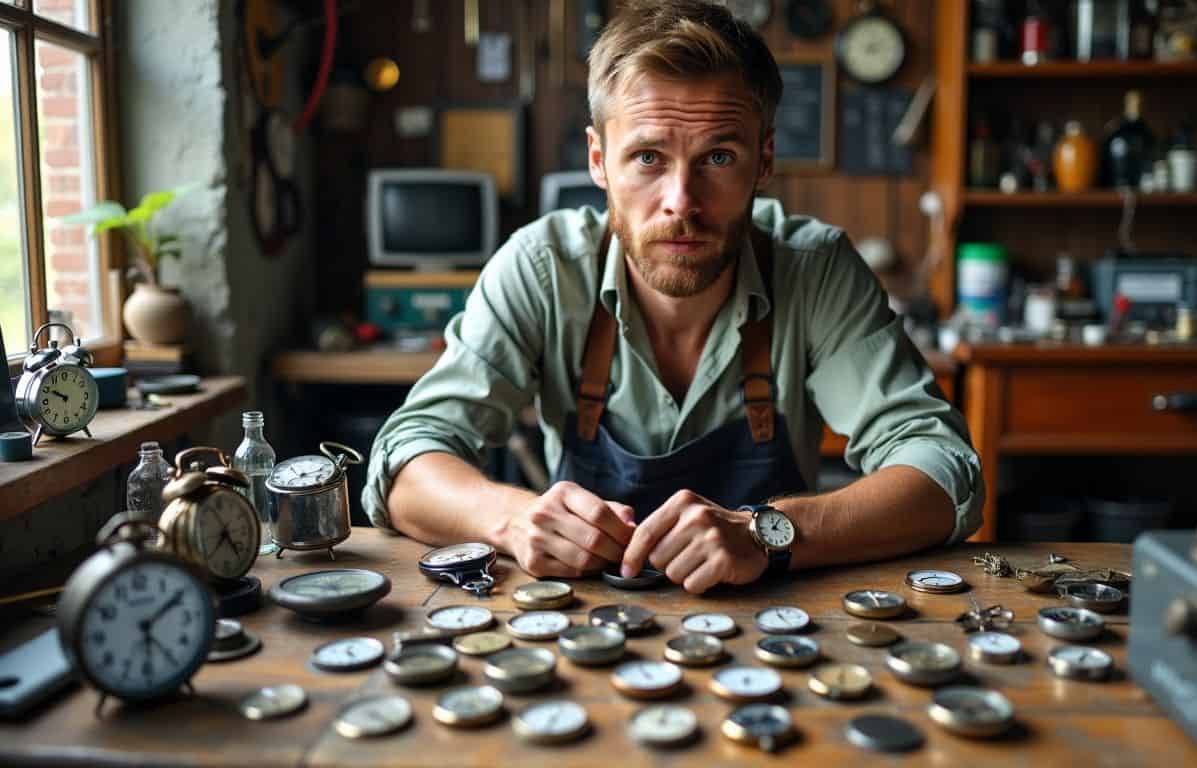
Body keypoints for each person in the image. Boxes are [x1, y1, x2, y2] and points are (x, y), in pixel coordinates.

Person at [362, 0, 984, 594]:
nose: (681, 202)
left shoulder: (814, 270)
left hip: (776, 624)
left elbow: (942, 470)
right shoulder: (542, 267)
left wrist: (770, 534)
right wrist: (511, 518)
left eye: (718, 155)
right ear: (599, 161)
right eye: (648, 158)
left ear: (764, 160)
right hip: (576, 625)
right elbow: (406, 463)